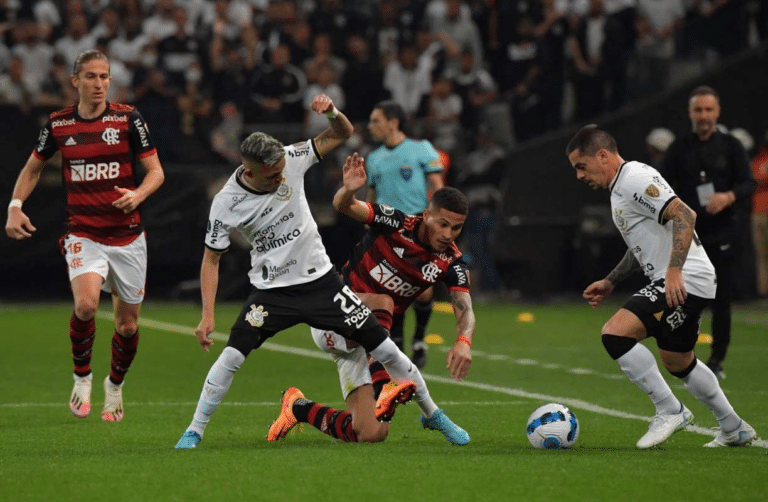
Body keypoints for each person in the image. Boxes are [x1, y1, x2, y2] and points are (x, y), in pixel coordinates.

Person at [175, 95, 442, 449]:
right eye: (272, 176)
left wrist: (331, 112)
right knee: (233, 355)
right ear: (250, 171)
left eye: (282, 169)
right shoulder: (226, 203)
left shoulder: (293, 157)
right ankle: (194, 430)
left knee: (375, 405)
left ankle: (424, 413)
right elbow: (211, 260)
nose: (281, 177)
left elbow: (342, 132)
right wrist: (208, 315)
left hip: (321, 283)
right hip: (274, 293)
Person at [565, 124, 756, 448]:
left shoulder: (634, 178)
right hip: (687, 279)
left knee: (615, 333)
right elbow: (639, 242)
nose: (579, 176)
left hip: (686, 278)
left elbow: (684, 214)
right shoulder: (621, 188)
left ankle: (670, 410)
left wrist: (673, 271)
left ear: (602, 155)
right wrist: (612, 280)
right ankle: (734, 427)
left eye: (581, 166)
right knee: (678, 361)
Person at [267, 153, 474, 445]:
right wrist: (350, 189)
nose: (448, 234)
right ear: (427, 214)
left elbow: (464, 307)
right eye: (442, 224)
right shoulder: (395, 223)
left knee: (370, 433)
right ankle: (388, 384)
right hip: (332, 316)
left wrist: (464, 341)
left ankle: (297, 408)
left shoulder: (451, 261)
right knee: (383, 302)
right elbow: (344, 205)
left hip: (362, 343)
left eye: (456, 228)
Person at [4, 50, 165, 422]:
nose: (99, 84)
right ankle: (81, 378)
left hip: (128, 237)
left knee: (127, 325)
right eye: (91, 77)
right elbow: (31, 169)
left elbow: (156, 171)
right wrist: (14, 205)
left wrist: (138, 194)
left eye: (105, 77)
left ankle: (115, 386)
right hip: (84, 233)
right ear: (75, 81)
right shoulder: (59, 125)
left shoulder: (128, 119)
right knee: (87, 306)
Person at [660, 86, 756, 379]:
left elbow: (748, 183)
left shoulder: (731, 146)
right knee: (684, 298)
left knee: (721, 300)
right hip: (689, 237)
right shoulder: (678, 148)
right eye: (698, 110)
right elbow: (664, 186)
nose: (703, 115)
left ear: (717, 112)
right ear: (690, 113)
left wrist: (728, 196)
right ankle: (683, 356)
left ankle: (717, 360)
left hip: (724, 233)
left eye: (708, 110)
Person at [366, 100, 445, 368]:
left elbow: (437, 186)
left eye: (376, 120)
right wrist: (369, 221)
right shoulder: (374, 157)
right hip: (386, 232)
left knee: (422, 291)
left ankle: (419, 339)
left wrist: (437, 221)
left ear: (393, 122)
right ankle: (397, 344)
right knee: (391, 291)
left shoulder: (420, 149)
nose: (371, 126)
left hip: (417, 230)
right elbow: (372, 196)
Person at [750, 131, 768, 298]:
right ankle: (764, 293)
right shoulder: (759, 159)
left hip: (762, 211)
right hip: (758, 212)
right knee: (761, 256)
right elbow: (752, 178)